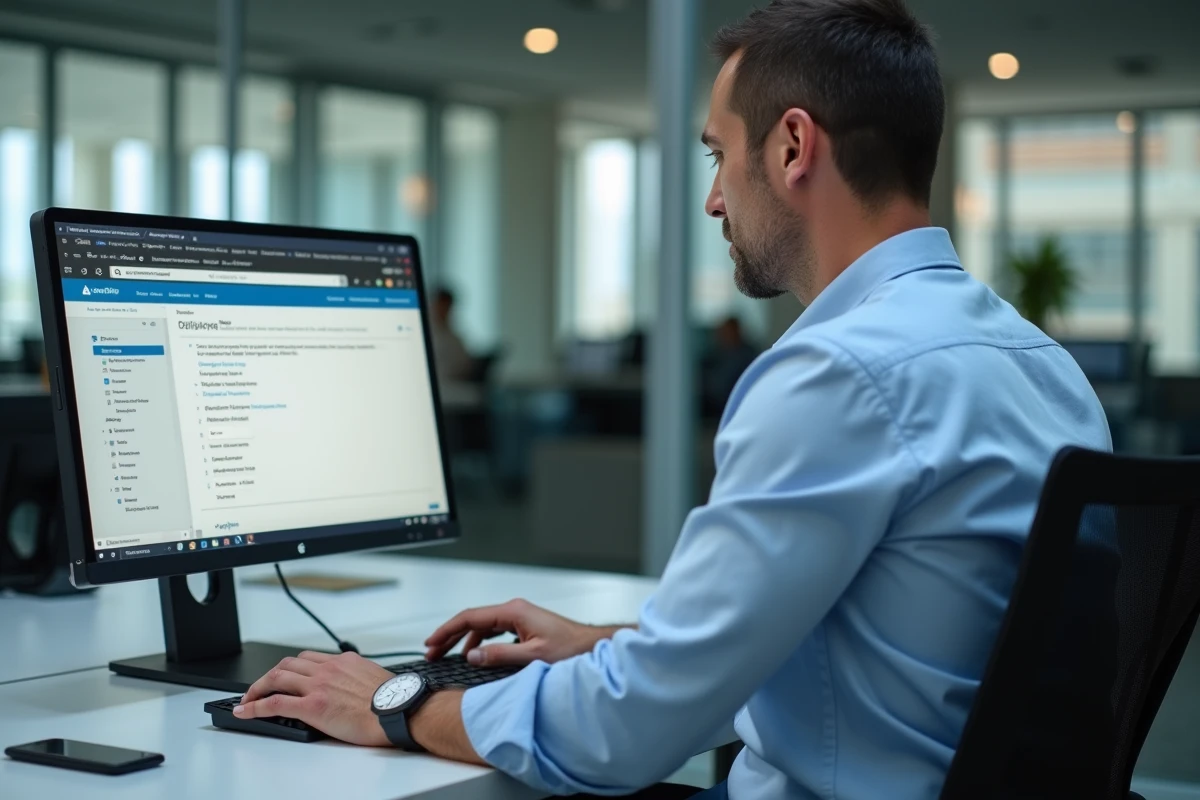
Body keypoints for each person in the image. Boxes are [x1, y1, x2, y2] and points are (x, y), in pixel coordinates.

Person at [233, 1, 1112, 797]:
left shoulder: (839, 374)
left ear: (793, 147)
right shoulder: (1041, 366)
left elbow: (622, 736)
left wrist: (396, 702)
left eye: (719, 155)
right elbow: (885, 647)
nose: (713, 199)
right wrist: (613, 647)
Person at [702, 316, 760, 418]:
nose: (725, 335)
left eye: (729, 331)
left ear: (737, 332)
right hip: (715, 411)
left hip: (741, 407)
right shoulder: (713, 356)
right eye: (723, 332)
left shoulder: (748, 355)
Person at [429, 287, 475, 383]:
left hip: (457, 381)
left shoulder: (453, 336)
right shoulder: (428, 333)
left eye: (448, 307)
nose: (445, 310)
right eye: (442, 306)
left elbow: (464, 363)